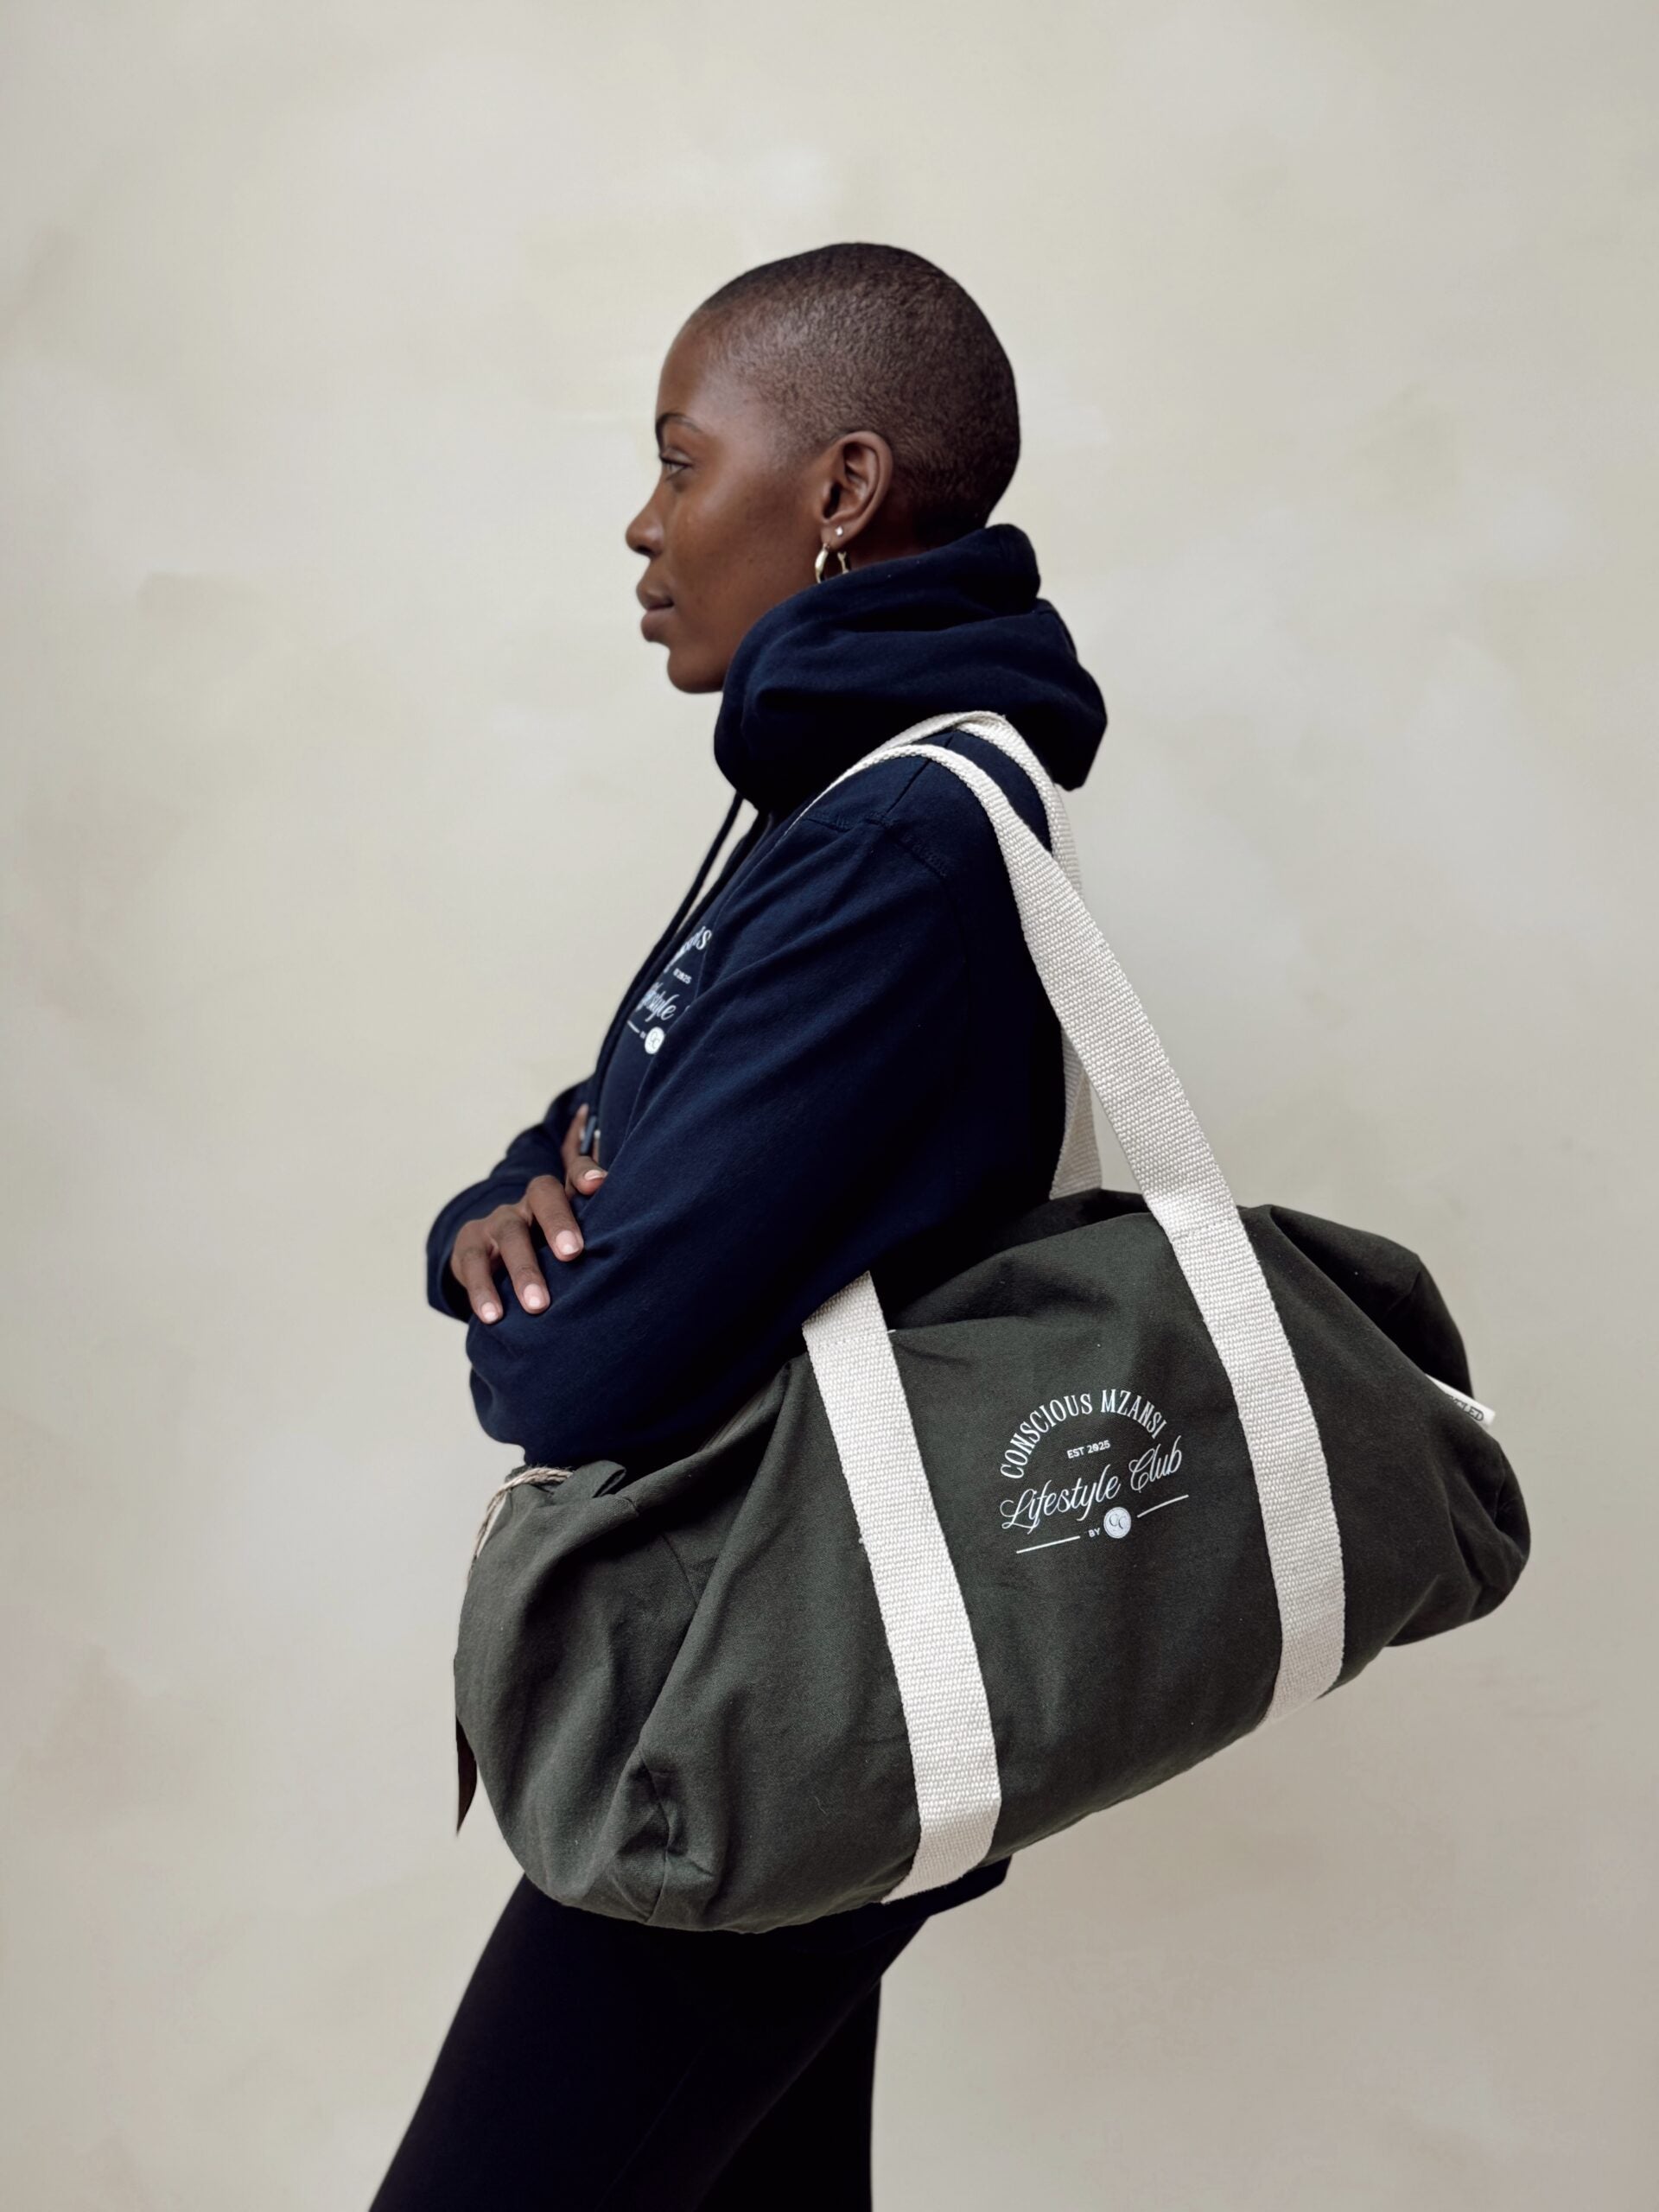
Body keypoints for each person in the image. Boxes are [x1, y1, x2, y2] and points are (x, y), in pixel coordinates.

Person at [371, 244, 1106, 2211]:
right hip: (767, 1667)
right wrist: (496, 1208)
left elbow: (582, 1364)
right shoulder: (836, 807)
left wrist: (536, 1303)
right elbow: (616, 1117)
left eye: (682, 460)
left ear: (842, 488)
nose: (646, 518)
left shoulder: (905, 837)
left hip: (768, 1698)